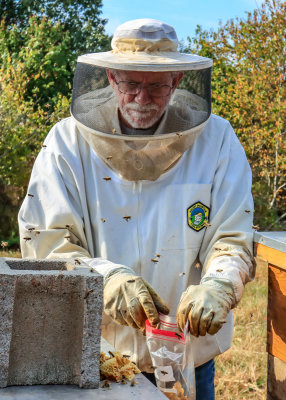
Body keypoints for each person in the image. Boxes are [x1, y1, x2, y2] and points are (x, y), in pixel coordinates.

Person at [18, 19, 255, 399]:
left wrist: (219, 284)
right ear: (111, 78)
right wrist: (107, 279)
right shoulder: (66, 141)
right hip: (97, 356)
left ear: (177, 82)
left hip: (186, 352)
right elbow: (47, 241)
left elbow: (231, 233)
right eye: (131, 83)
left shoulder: (218, 140)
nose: (142, 98)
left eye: (157, 85)